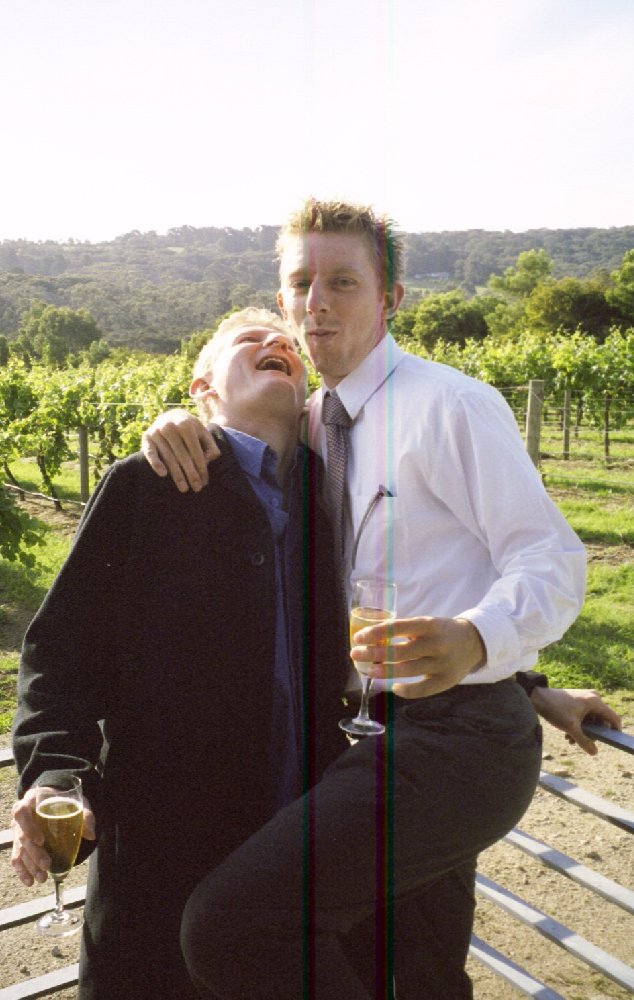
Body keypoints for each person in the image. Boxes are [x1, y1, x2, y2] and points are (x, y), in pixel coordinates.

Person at [140, 199, 621, 999]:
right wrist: (173, 420)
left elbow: (550, 560)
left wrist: (480, 643)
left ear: (390, 298)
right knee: (420, 971)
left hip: (459, 739)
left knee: (230, 925)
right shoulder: (313, 421)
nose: (317, 303)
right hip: (369, 729)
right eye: (301, 284)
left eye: (343, 282)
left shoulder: (450, 405)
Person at [10, 308, 350, 999]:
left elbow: (413, 606)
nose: (276, 340)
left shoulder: (339, 493)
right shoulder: (149, 484)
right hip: (167, 852)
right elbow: (61, 653)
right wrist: (53, 773)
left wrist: (521, 683)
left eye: (286, 342)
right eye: (248, 340)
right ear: (203, 388)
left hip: (301, 847)